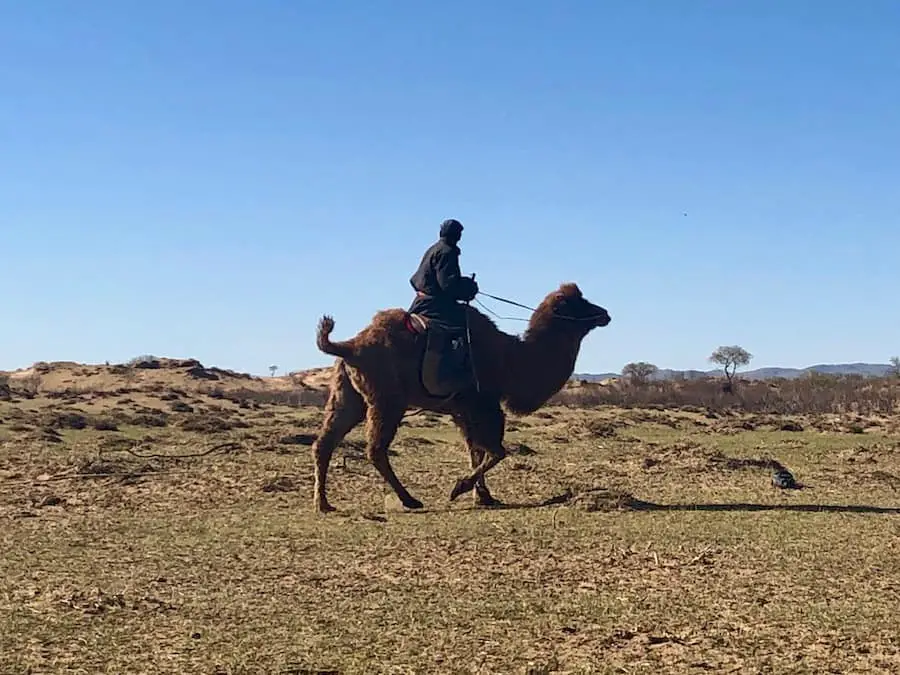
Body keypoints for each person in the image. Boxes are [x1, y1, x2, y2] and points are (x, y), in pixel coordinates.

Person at [408, 218, 479, 331]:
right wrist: (468, 288)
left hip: (422, 302)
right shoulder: (447, 252)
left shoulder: (434, 249)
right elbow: (448, 285)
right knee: (465, 328)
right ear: (457, 235)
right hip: (434, 304)